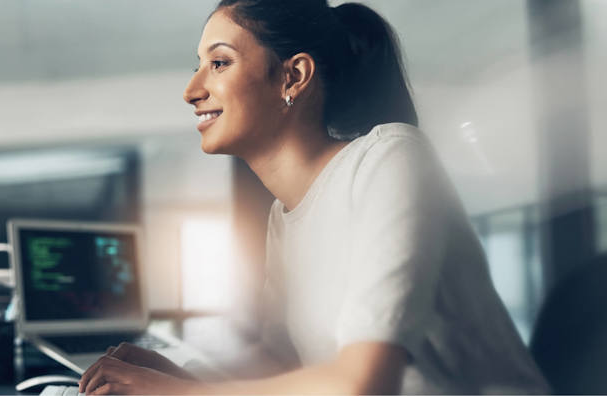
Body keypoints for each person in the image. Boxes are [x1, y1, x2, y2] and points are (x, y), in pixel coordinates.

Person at [78, 0, 551, 394]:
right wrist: (168, 374)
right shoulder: (284, 217)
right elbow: (283, 366)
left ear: (293, 76)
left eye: (218, 62)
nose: (191, 90)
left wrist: (181, 393)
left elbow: (362, 381)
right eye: (197, 66)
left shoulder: (391, 157)